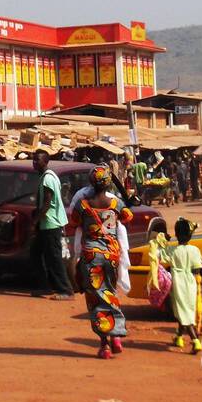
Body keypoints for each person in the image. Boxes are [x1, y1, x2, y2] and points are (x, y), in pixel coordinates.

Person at [67, 166, 134, 358]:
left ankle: (104, 344)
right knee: (110, 293)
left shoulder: (83, 204)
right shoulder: (116, 203)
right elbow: (128, 216)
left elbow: (74, 221)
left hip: (90, 256)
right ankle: (116, 337)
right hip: (112, 255)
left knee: (95, 298)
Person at [30, 150, 74, 300]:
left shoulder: (48, 178)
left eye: (37, 160)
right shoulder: (48, 176)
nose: (35, 162)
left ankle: (66, 290)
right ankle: (44, 286)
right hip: (45, 223)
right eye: (34, 160)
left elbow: (47, 203)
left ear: (45, 161)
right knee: (36, 254)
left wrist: (34, 221)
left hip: (51, 223)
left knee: (54, 257)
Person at [160, 217, 202, 353]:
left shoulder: (172, 251)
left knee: (182, 311)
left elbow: (158, 256)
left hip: (178, 282)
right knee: (186, 310)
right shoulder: (195, 250)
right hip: (191, 282)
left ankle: (195, 341)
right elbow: (198, 267)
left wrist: (163, 241)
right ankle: (179, 337)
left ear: (177, 234)